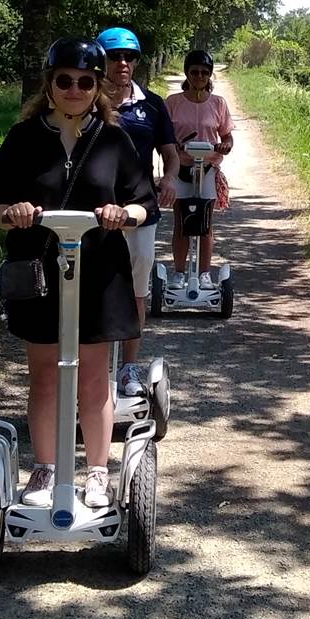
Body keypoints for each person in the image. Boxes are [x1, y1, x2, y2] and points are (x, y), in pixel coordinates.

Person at [0, 37, 157, 510]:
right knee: (45, 374)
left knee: (95, 377)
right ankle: (46, 468)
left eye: (84, 81)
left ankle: (97, 471)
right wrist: (11, 213)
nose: (74, 89)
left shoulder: (114, 139)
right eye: (64, 80)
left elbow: (145, 202)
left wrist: (124, 215)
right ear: (49, 84)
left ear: (96, 86)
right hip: (40, 271)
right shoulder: (24, 139)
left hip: (98, 273)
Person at [94, 26, 179, 399]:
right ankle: (92, 370)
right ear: (102, 60)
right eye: (115, 57)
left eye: (130, 57)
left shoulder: (152, 104)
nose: (123, 64)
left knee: (136, 290)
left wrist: (171, 179)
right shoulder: (87, 100)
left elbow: (170, 154)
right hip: (92, 211)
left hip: (140, 210)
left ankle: (128, 366)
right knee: (90, 288)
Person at [164, 49, 234, 289]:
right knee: (181, 222)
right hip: (180, 167)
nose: (199, 77)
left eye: (205, 72)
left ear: (210, 75)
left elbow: (227, 136)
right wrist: (173, 145)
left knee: (205, 223)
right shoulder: (173, 103)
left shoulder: (218, 103)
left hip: (207, 169)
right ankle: (179, 272)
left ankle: (205, 274)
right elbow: (163, 137)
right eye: (194, 72)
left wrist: (224, 145)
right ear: (187, 73)